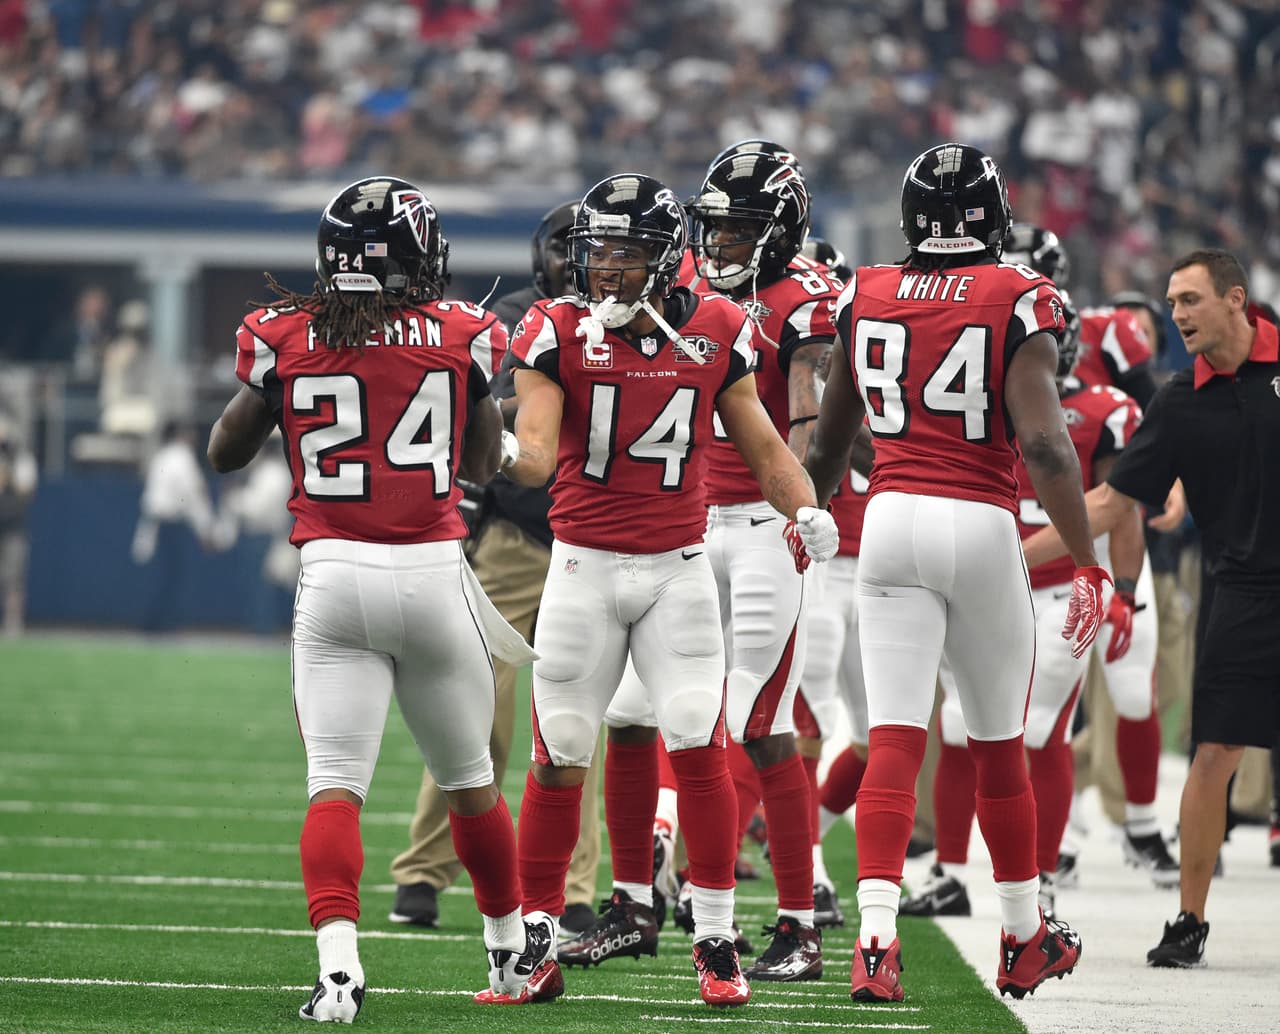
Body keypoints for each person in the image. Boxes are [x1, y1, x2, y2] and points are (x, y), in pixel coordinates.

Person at [206, 175, 553, 1020]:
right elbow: (477, 467)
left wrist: (285, 396)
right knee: (471, 781)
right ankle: (509, 956)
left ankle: (338, 971)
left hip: (332, 579)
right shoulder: (461, 332)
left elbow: (225, 452)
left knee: (335, 786)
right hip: (432, 577)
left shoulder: (282, 333)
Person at [499, 173, 838, 1007]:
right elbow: (538, 455)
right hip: (582, 564)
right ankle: (535, 945)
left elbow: (764, 446)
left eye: (622, 252)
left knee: (695, 735)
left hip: (678, 568)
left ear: (660, 257)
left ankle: (717, 943)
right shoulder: (555, 327)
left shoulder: (719, 327)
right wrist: (492, 448)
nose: (603, 269)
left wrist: (806, 508)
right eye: (596, 251)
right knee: (564, 750)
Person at [805, 143, 1102, 1002]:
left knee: (897, 734)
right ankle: (1021, 934)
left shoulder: (865, 290)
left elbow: (828, 441)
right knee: (995, 738)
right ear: (994, 217)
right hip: (978, 520)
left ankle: (873, 940)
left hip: (890, 519)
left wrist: (812, 512)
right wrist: (1086, 560)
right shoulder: (1019, 294)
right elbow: (1045, 443)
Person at [1022, 248, 1280, 968]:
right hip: (1240, 593)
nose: (1176, 314)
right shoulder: (1178, 399)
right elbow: (1109, 502)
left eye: (1190, 299)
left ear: (1236, 299)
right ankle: (1190, 919)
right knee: (1213, 753)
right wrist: (1015, 558)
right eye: (1171, 302)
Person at [901, 297, 1172, 926]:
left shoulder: (1107, 410)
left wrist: (1125, 589)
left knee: (1041, 725)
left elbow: (1122, 505)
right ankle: (951, 872)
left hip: (1060, 589)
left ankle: (1040, 877)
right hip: (990, 584)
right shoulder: (971, 397)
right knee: (955, 726)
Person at [388, 199, 605, 942]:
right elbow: (484, 415)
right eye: (576, 249)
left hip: (599, 541)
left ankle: (577, 888)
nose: (590, 263)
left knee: (577, 724)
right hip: (517, 533)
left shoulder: (642, 322)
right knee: (476, 710)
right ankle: (422, 870)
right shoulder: (517, 319)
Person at [131, 420, 220, 632]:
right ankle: (161, 624)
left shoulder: (161, 456)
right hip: (170, 525)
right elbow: (193, 494)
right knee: (169, 576)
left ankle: (154, 623)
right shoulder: (182, 457)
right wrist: (206, 529)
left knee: (159, 574)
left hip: (157, 522)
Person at [0, 414, 37, 637]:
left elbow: (26, 491)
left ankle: (13, 622)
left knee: (14, 576)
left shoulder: (22, 460)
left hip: (13, 526)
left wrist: (9, 473)